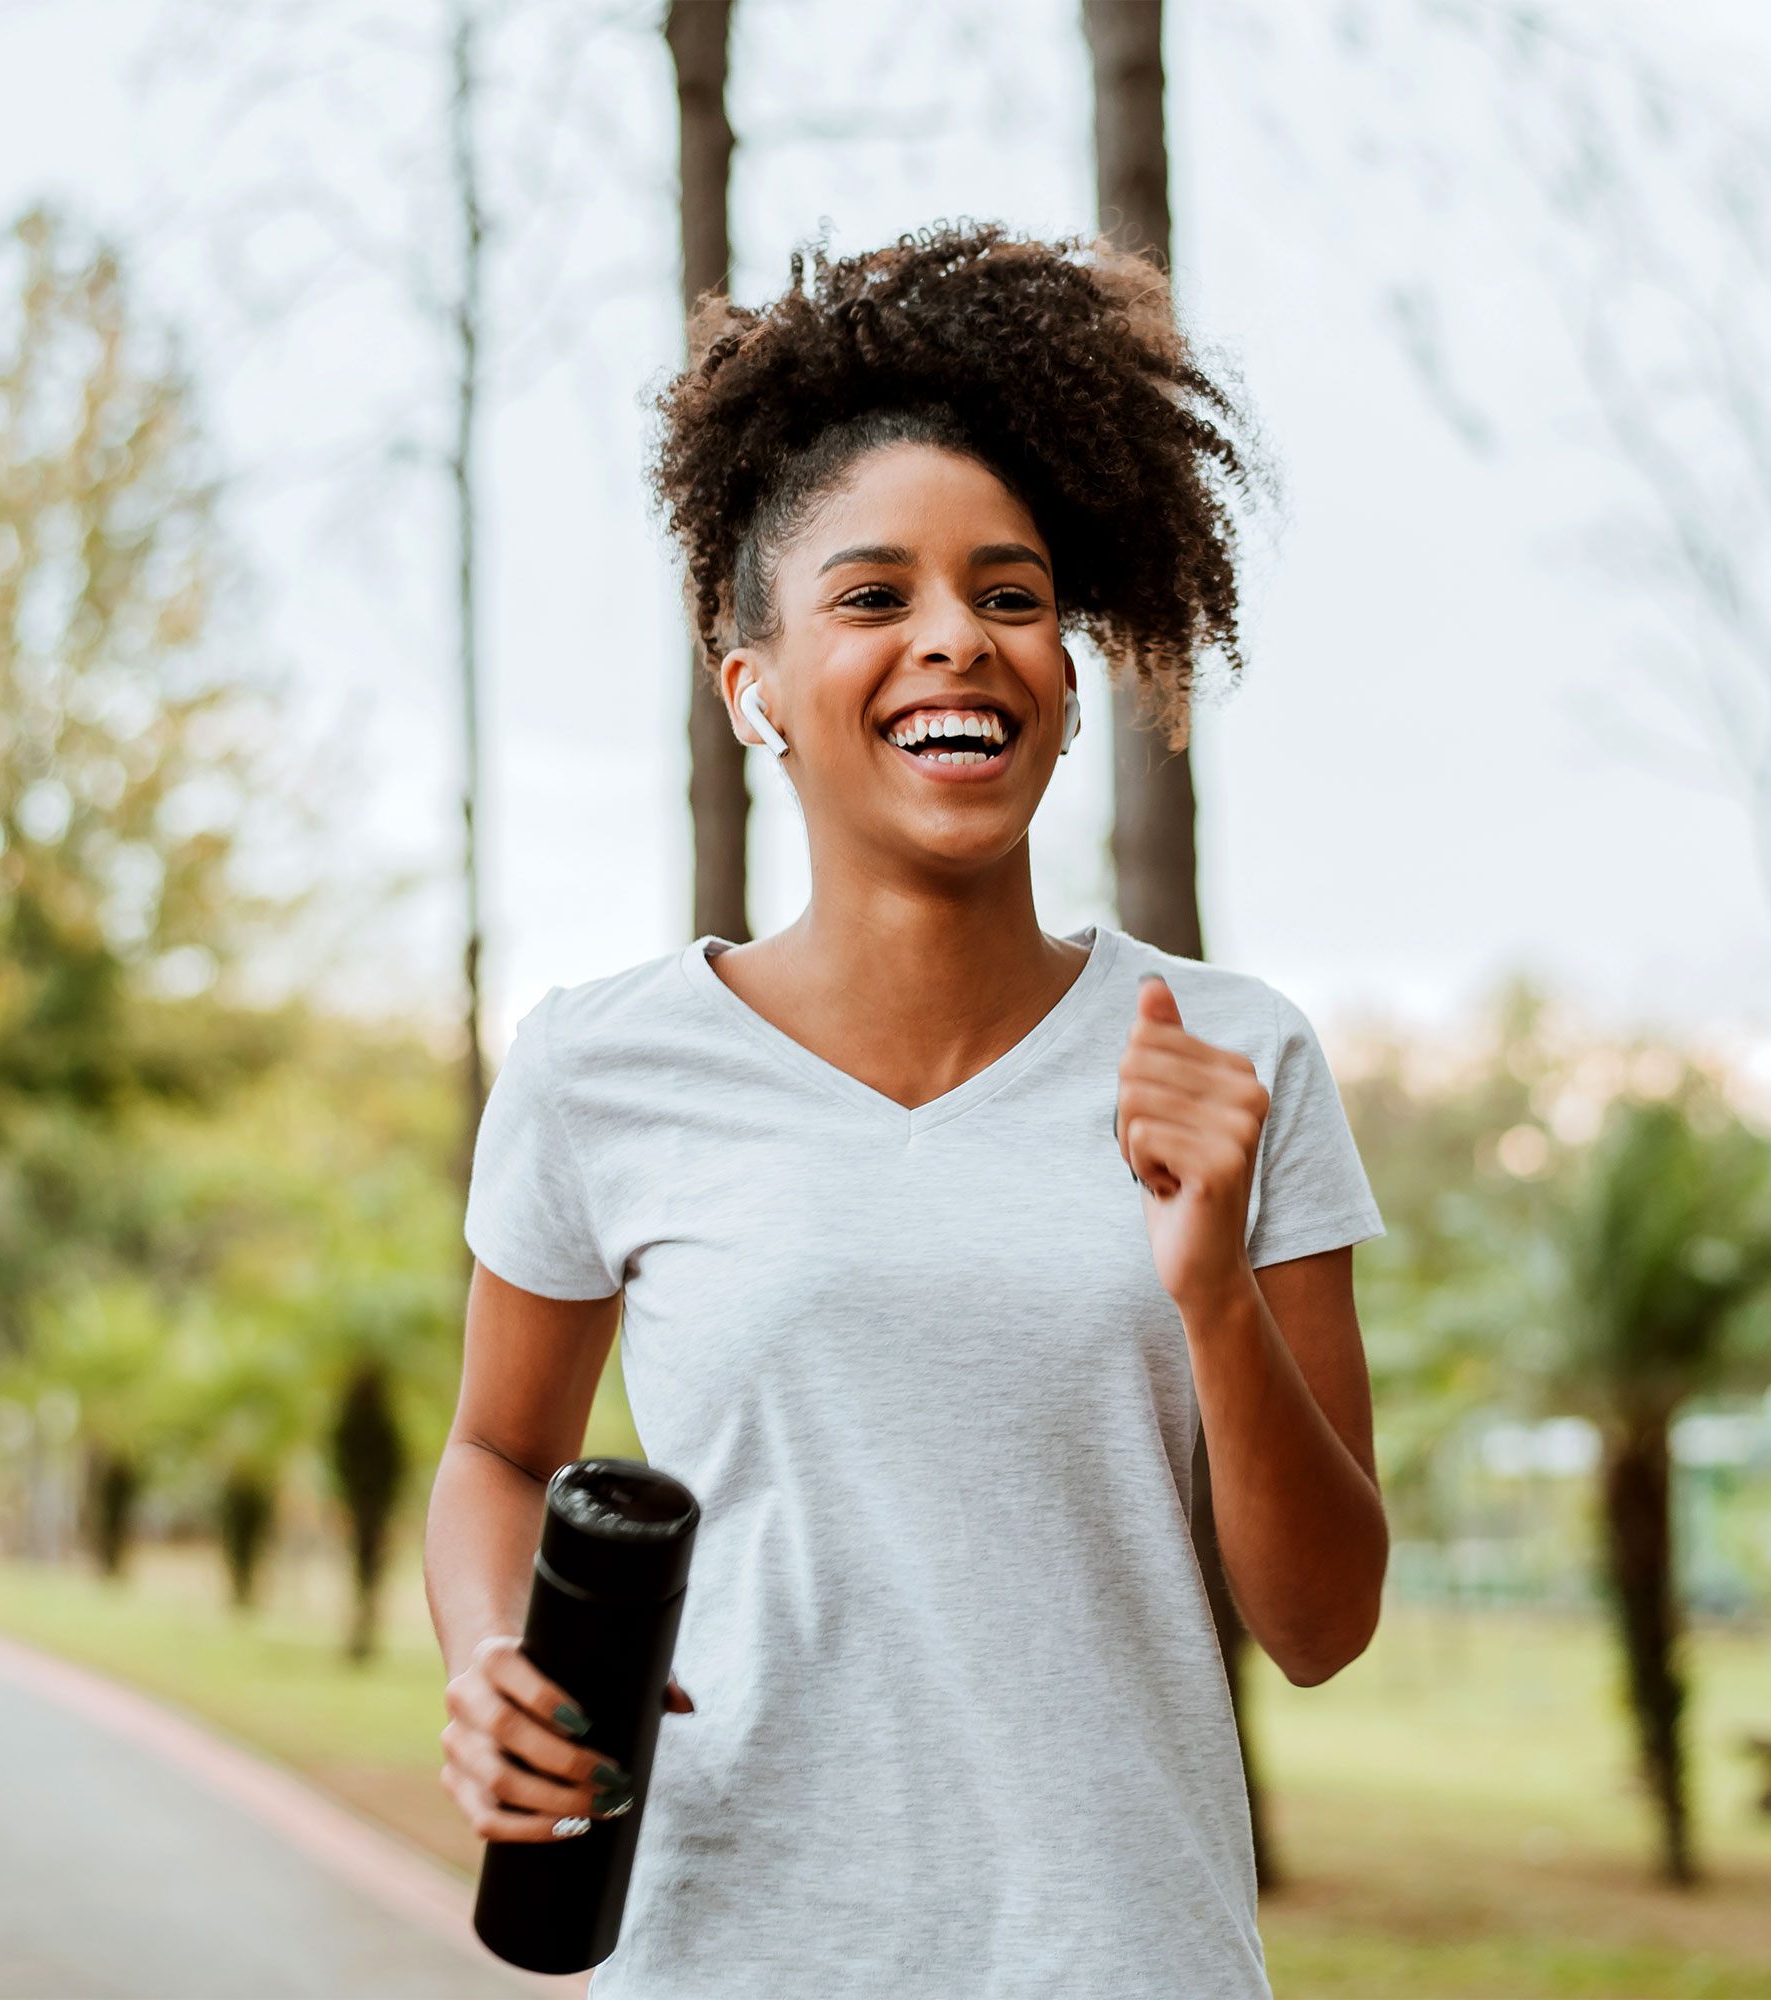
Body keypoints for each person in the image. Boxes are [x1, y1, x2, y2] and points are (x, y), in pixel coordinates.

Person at [426, 224, 1387, 1998]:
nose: (957, 638)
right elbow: (497, 1452)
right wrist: (495, 1655)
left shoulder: (1234, 1057)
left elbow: (1322, 1627)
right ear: (755, 691)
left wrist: (1210, 1293)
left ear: (1067, 683)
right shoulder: (596, 1067)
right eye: (874, 597)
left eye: (1011, 598)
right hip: (726, 1955)